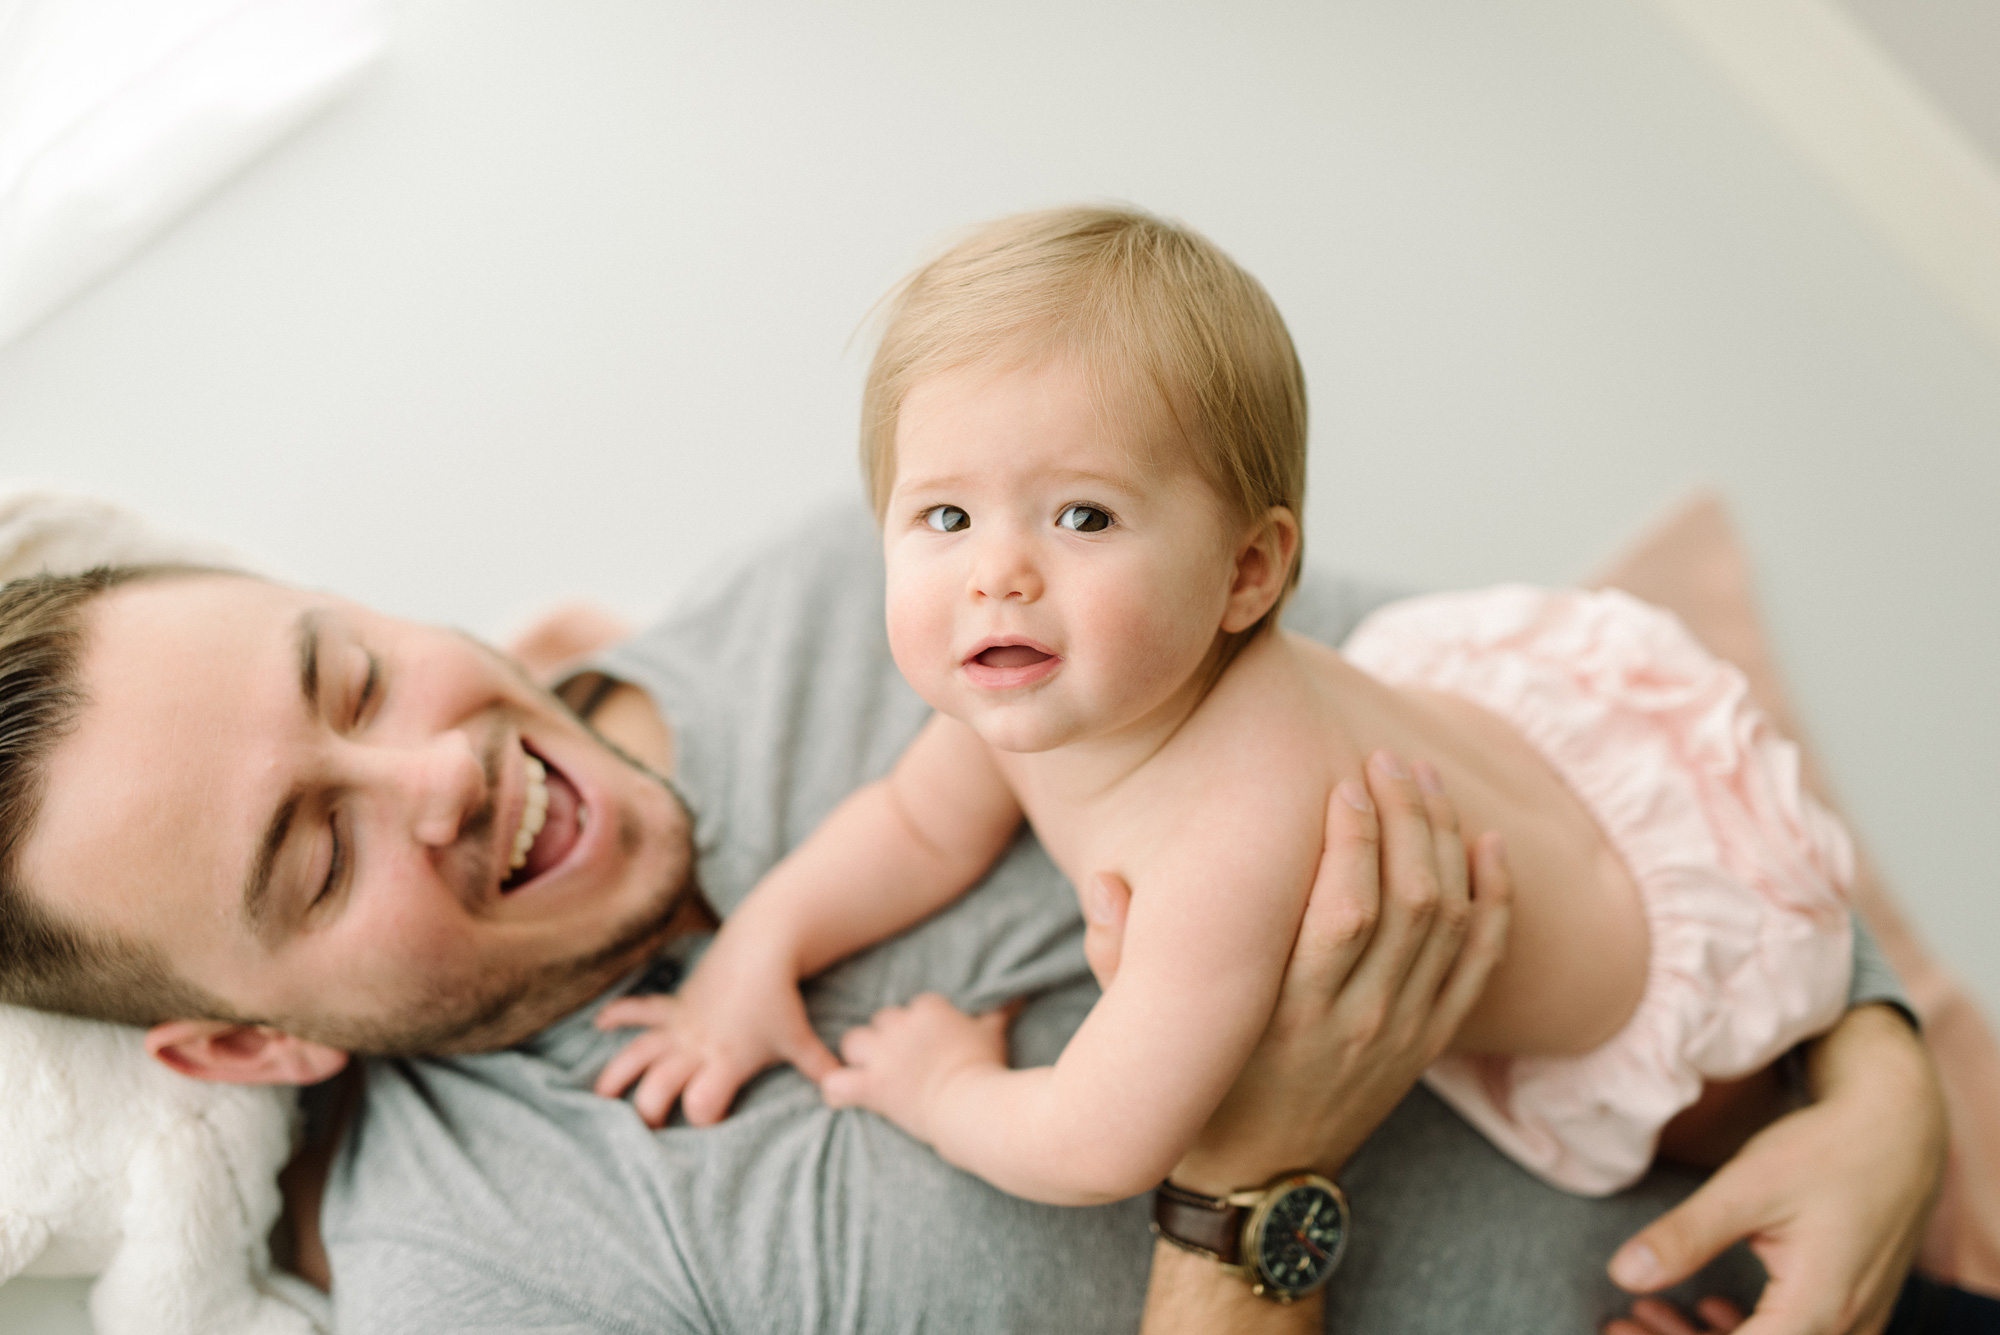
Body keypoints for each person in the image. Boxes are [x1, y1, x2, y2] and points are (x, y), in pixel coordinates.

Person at [0, 503, 1944, 1332]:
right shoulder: (497, 1270)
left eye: (352, 676)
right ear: (245, 1040)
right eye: (313, 857)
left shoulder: (863, 594)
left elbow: (1561, 733)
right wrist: (1250, 1187)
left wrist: (1878, 1071)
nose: (436, 775)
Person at [593, 207, 1856, 1212]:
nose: (996, 571)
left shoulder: (1233, 826)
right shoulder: (1037, 684)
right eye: (944, 516)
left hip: (1636, 985)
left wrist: (942, 1089)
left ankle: (1799, 1134)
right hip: (1500, 783)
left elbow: (1097, 1143)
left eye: (1080, 515)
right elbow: (920, 825)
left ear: (1246, 574)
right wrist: (755, 953)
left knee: (1720, 1143)